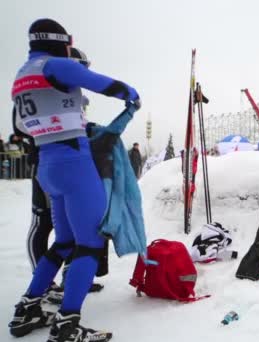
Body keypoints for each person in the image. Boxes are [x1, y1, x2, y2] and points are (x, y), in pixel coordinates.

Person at [8, 18, 140, 342]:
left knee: (64, 243)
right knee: (90, 244)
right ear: (58, 41)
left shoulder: (21, 76)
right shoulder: (55, 65)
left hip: (47, 165)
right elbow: (98, 82)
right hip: (74, 165)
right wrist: (130, 95)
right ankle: (67, 325)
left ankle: (27, 308)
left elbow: (23, 127)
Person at [22, 46, 107, 308]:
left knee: (73, 235)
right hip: (50, 170)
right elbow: (29, 129)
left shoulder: (70, 95)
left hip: (68, 170)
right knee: (44, 224)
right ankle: (46, 286)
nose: (84, 73)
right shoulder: (41, 88)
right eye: (81, 68)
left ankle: (69, 282)